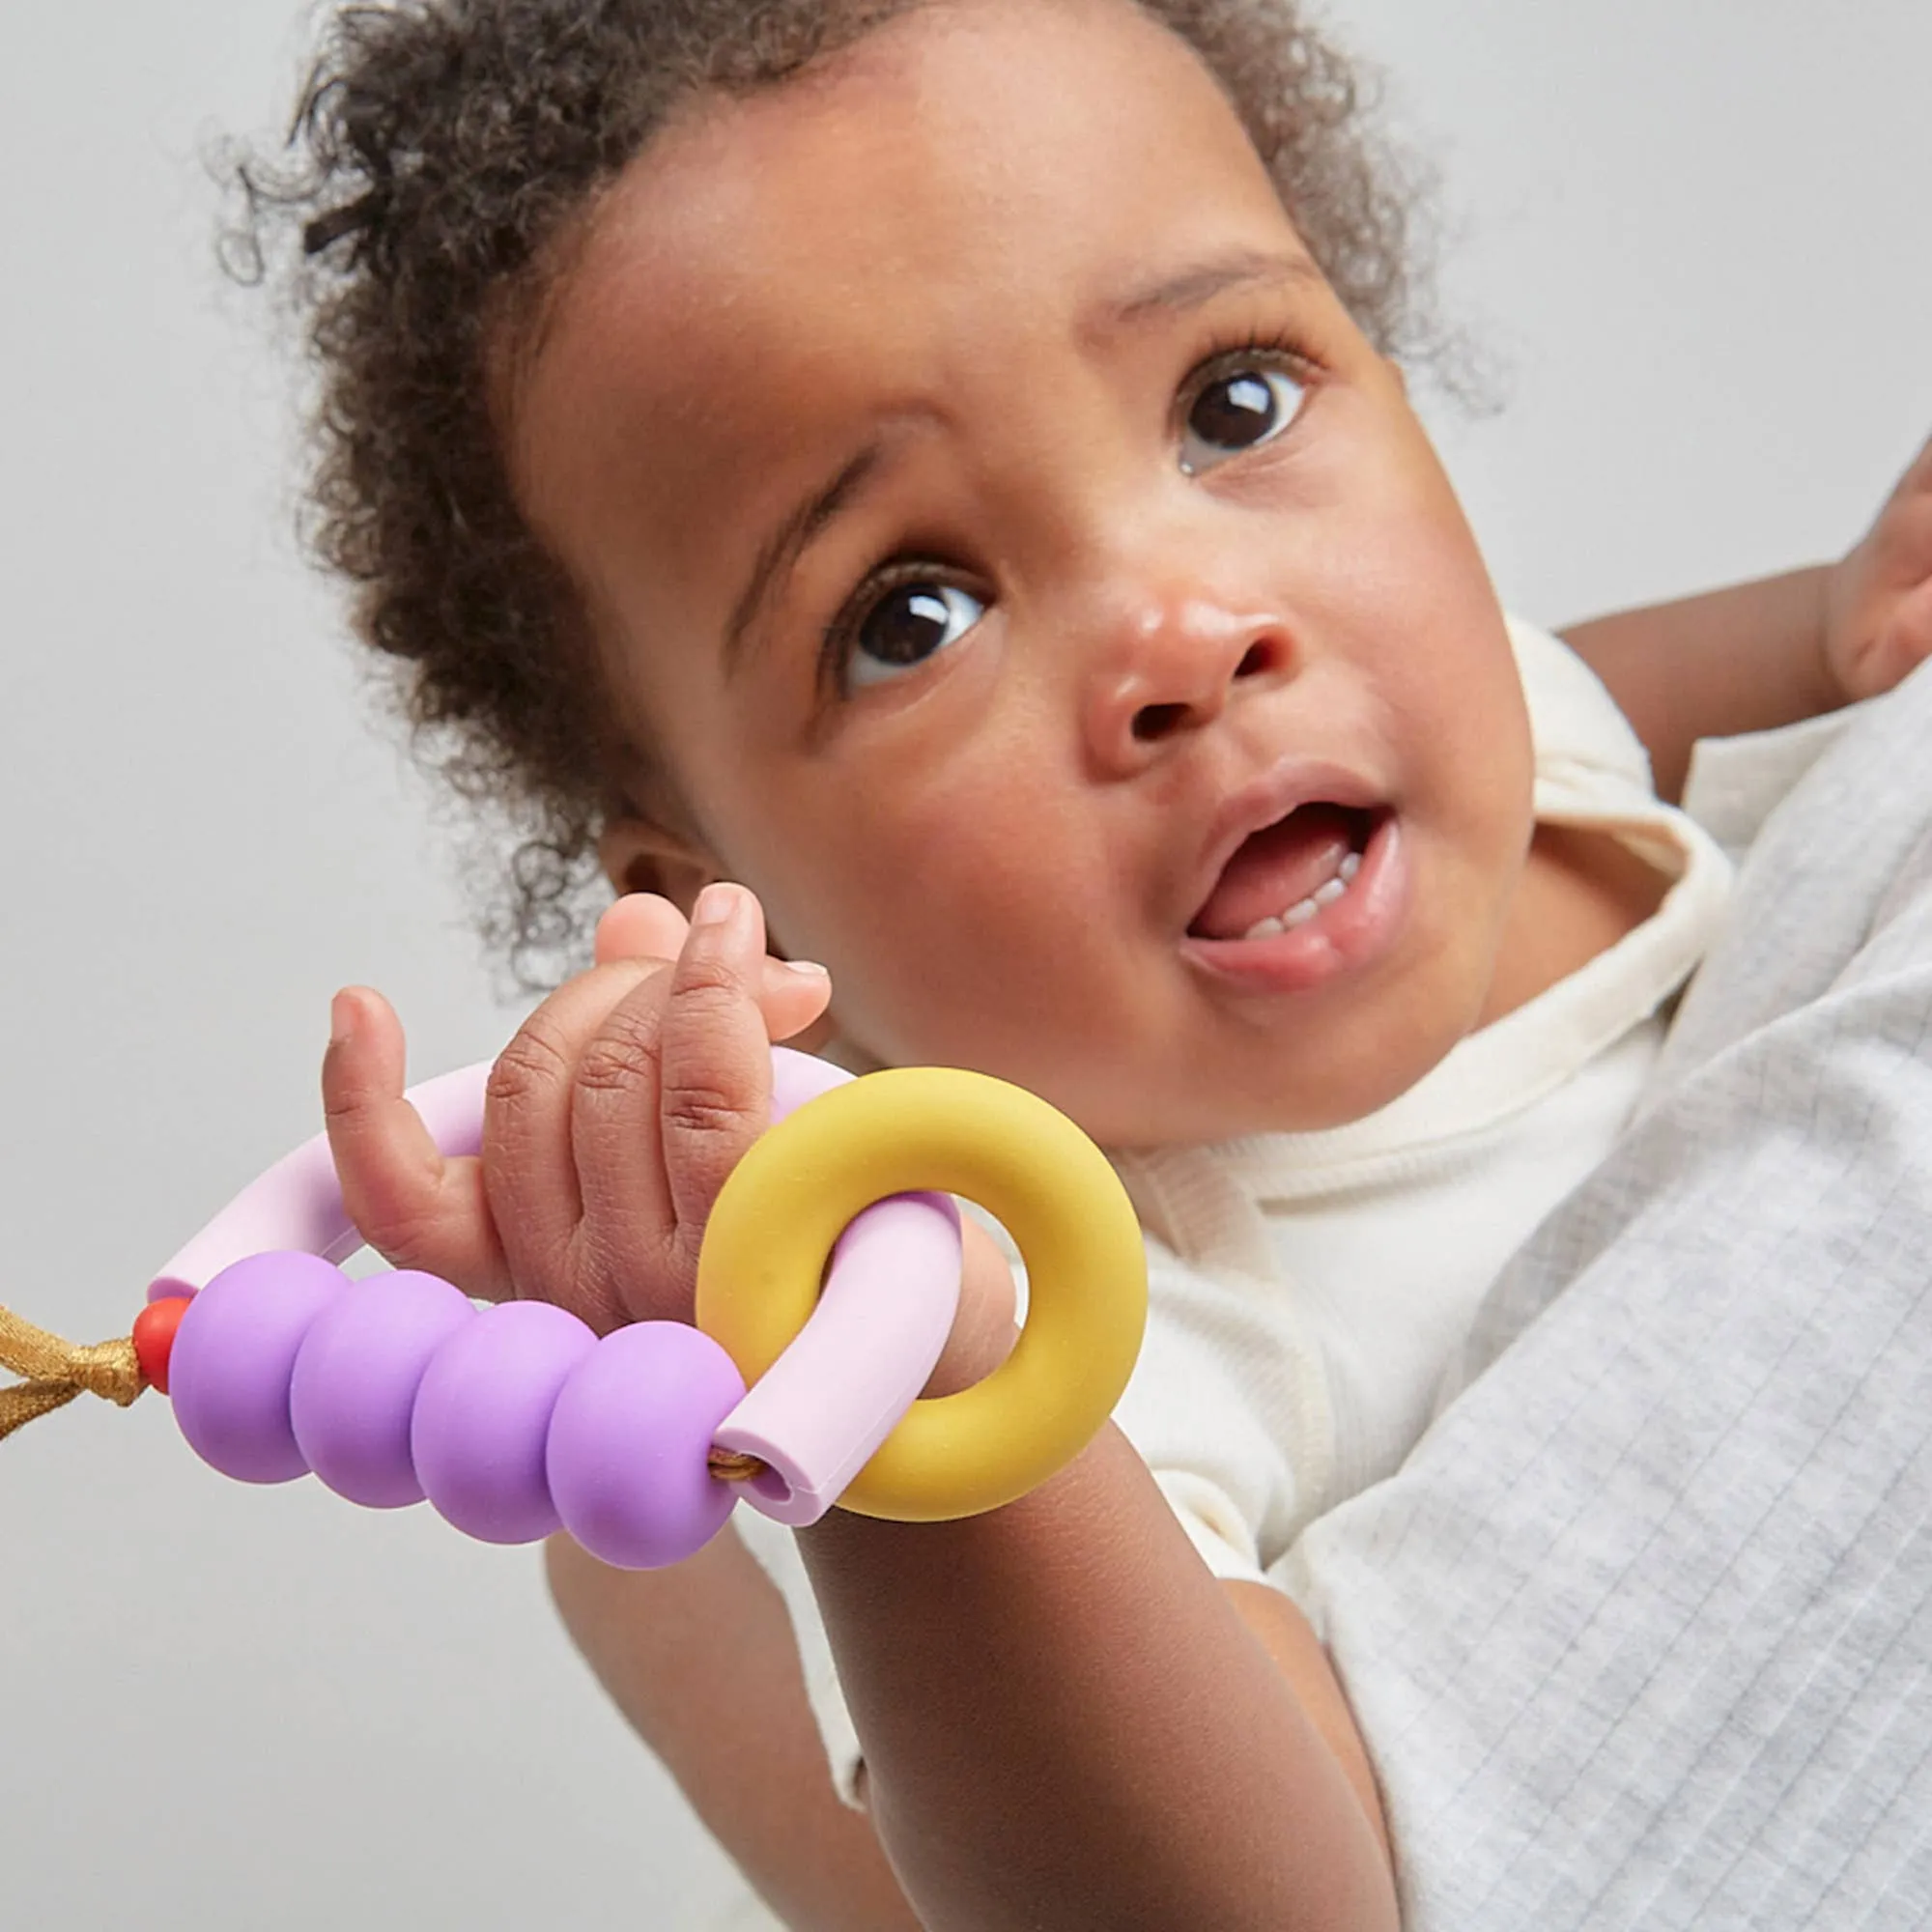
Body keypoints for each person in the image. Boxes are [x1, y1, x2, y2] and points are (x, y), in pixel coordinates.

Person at [228, 1, 1932, 1922]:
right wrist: (897, 1394)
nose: (1187, 635)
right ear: (731, 897)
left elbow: (1588, 708)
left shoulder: (1509, 762)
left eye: (1233, 405)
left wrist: (1833, 622)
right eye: (912, 613)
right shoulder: (1069, 1301)